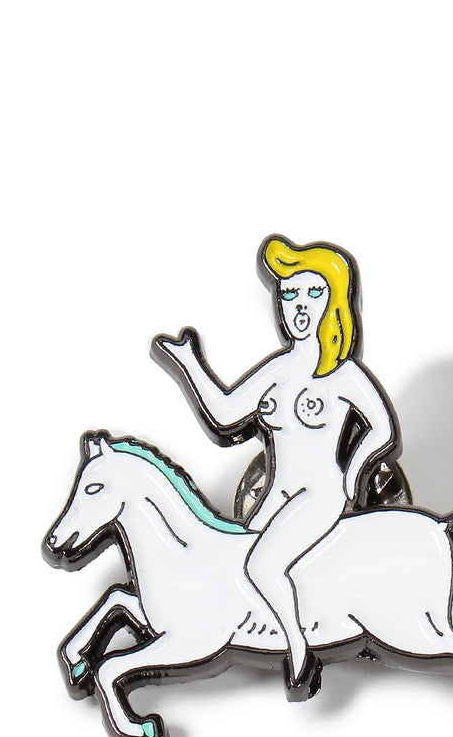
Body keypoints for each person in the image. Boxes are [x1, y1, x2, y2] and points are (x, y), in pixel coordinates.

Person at [153, 235, 399, 700]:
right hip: (275, 493)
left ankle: (300, 654)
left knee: (264, 566)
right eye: (289, 294)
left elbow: (382, 429)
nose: (299, 306)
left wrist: (354, 473)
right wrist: (189, 364)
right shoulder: (279, 369)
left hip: (319, 494)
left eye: (314, 293)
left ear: (335, 302)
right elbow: (226, 413)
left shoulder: (342, 373)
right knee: (238, 563)